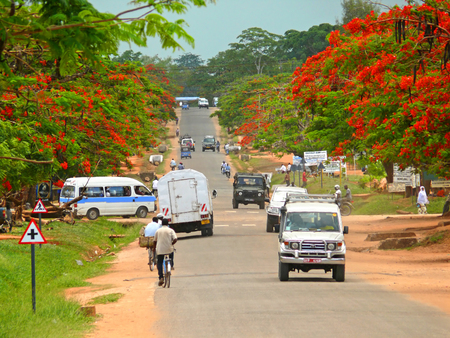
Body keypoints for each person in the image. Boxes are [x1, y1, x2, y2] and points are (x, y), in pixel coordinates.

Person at [154, 219, 177, 286]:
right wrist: (172, 244)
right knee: (171, 253)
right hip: (169, 248)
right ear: (167, 224)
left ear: (161, 224)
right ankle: (171, 265)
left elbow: (154, 241)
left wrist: (155, 248)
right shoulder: (171, 230)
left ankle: (161, 276)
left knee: (160, 262)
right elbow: (175, 239)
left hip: (160, 249)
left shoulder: (158, 231)